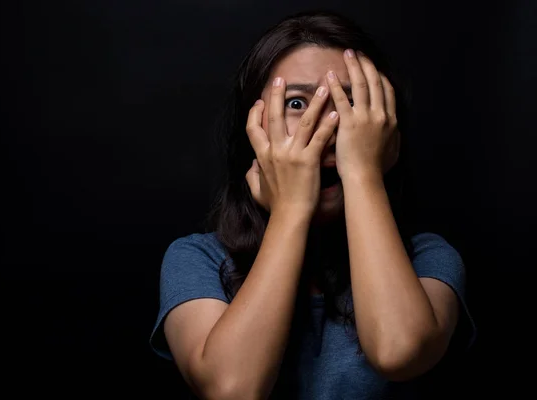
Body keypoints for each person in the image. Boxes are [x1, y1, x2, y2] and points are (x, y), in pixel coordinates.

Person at [150, 9, 475, 400]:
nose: (326, 126)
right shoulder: (196, 259)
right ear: (253, 127)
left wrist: (362, 174)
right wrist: (290, 211)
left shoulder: (428, 258)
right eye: (297, 104)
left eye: (351, 103)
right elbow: (233, 390)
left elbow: (397, 352)